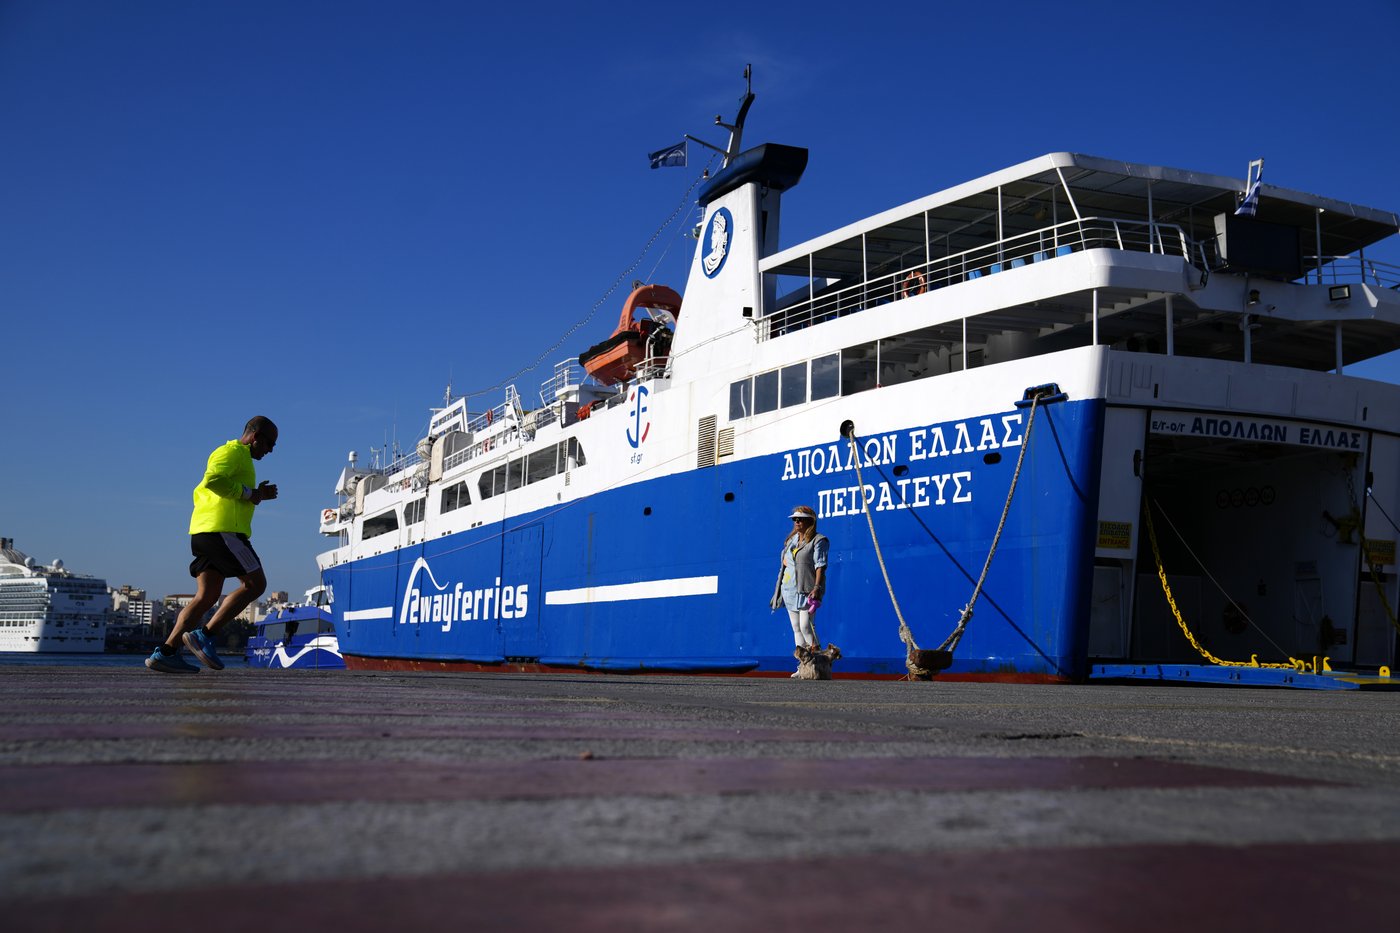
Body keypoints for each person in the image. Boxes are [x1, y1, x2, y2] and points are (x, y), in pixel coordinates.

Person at [146, 416, 279, 673]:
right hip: (222, 532)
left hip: (205, 532)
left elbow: (231, 490)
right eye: (270, 443)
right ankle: (204, 635)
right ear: (255, 436)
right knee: (255, 584)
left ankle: (166, 652)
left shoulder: (241, 459)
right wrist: (252, 494)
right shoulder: (231, 452)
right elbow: (213, 480)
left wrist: (256, 495)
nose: (271, 449)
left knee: (206, 596)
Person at [769, 505, 828, 678]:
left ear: (810, 521)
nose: (796, 522)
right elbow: (785, 563)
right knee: (796, 628)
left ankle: (819, 662)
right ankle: (803, 666)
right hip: (789, 588)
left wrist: (817, 587)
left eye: (800, 519)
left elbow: (820, 565)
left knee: (806, 626)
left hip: (806, 589)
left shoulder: (818, 540)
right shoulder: (791, 541)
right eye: (794, 519)